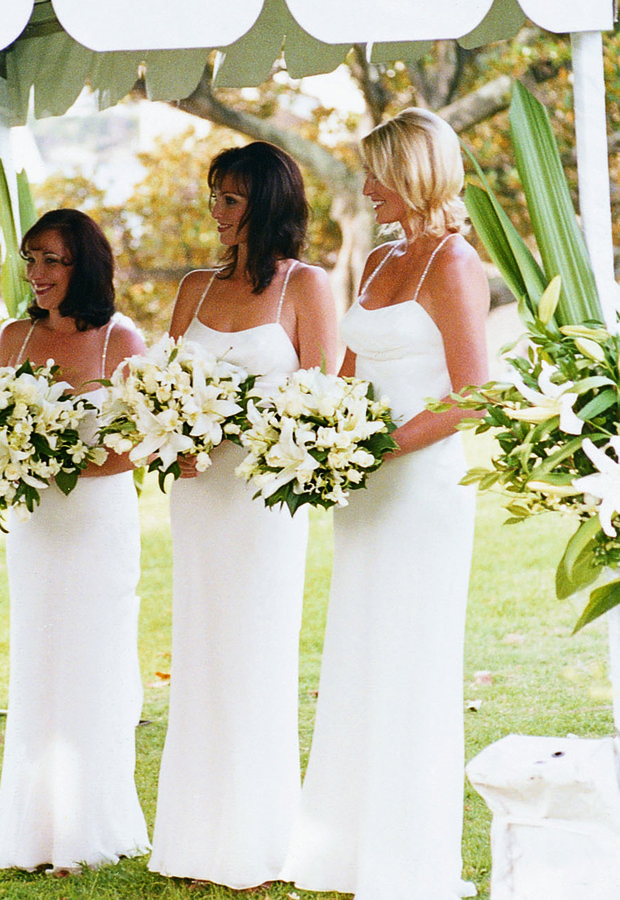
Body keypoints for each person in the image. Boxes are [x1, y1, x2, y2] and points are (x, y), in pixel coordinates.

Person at [282, 109, 490, 899]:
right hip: (361, 493)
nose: (365, 188)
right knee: (360, 655)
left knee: (412, 662)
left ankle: (407, 860)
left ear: (412, 174)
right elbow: (342, 371)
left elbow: (476, 397)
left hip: (420, 495)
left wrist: (378, 447)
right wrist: (307, 436)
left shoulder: (454, 261)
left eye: (376, 173)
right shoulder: (372, 262)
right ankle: (346, 848)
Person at [148, 141, 338, 889]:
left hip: (264, 500)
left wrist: (234, 427)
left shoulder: (306, 286)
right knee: (199, 652)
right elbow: (161, 386)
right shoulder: (194, 287)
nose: (217, 212)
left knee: (256, 656)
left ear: (265, 203)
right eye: (213, 197)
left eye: (229, 199)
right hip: (199, 496)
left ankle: (257, 841)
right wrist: (174, 441)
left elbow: (323, 401)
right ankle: (195, 842)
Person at [0, 209, 149, 871]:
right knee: (39, 658)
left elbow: (137, 442)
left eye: (52, 259)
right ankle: (36, 826)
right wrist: (10, 459)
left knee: (97, 662)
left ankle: (93, 825)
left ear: (83, 263)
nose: (38, 273)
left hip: (98, 522)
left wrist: (60, 464)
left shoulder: (121, 339)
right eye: (31, 259)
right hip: (36, 527)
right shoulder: (12, 337)